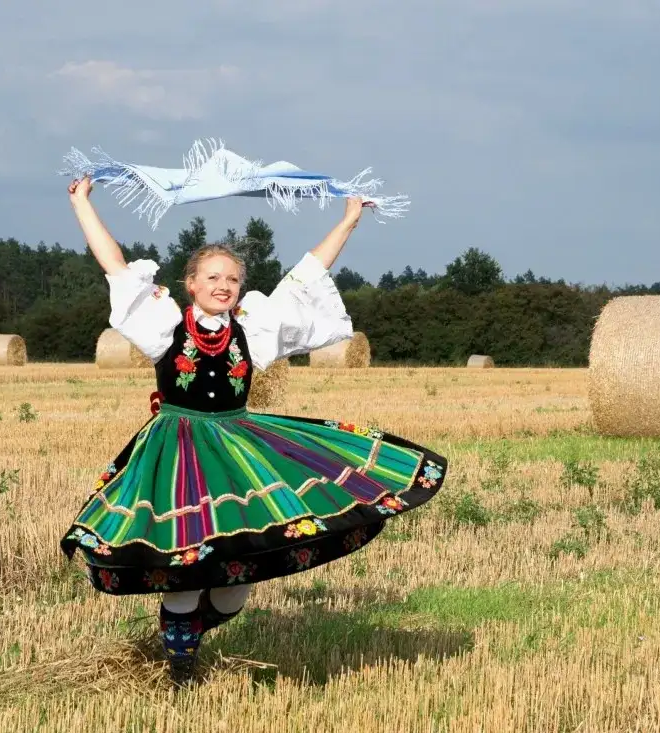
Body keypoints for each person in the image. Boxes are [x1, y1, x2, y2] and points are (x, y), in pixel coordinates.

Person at [60, 175, 449, 686]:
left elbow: (308, 274)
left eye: (233, 279)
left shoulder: (255, 329)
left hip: (241, 446)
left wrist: (350, 218)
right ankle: (180, 673)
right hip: (178, 451)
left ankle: (184, 634)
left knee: (233, 588)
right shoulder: (163, 325)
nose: (224, 286)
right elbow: (113, 263)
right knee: (183, 570)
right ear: (191, 284)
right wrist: (83, 203)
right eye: (213, 277)